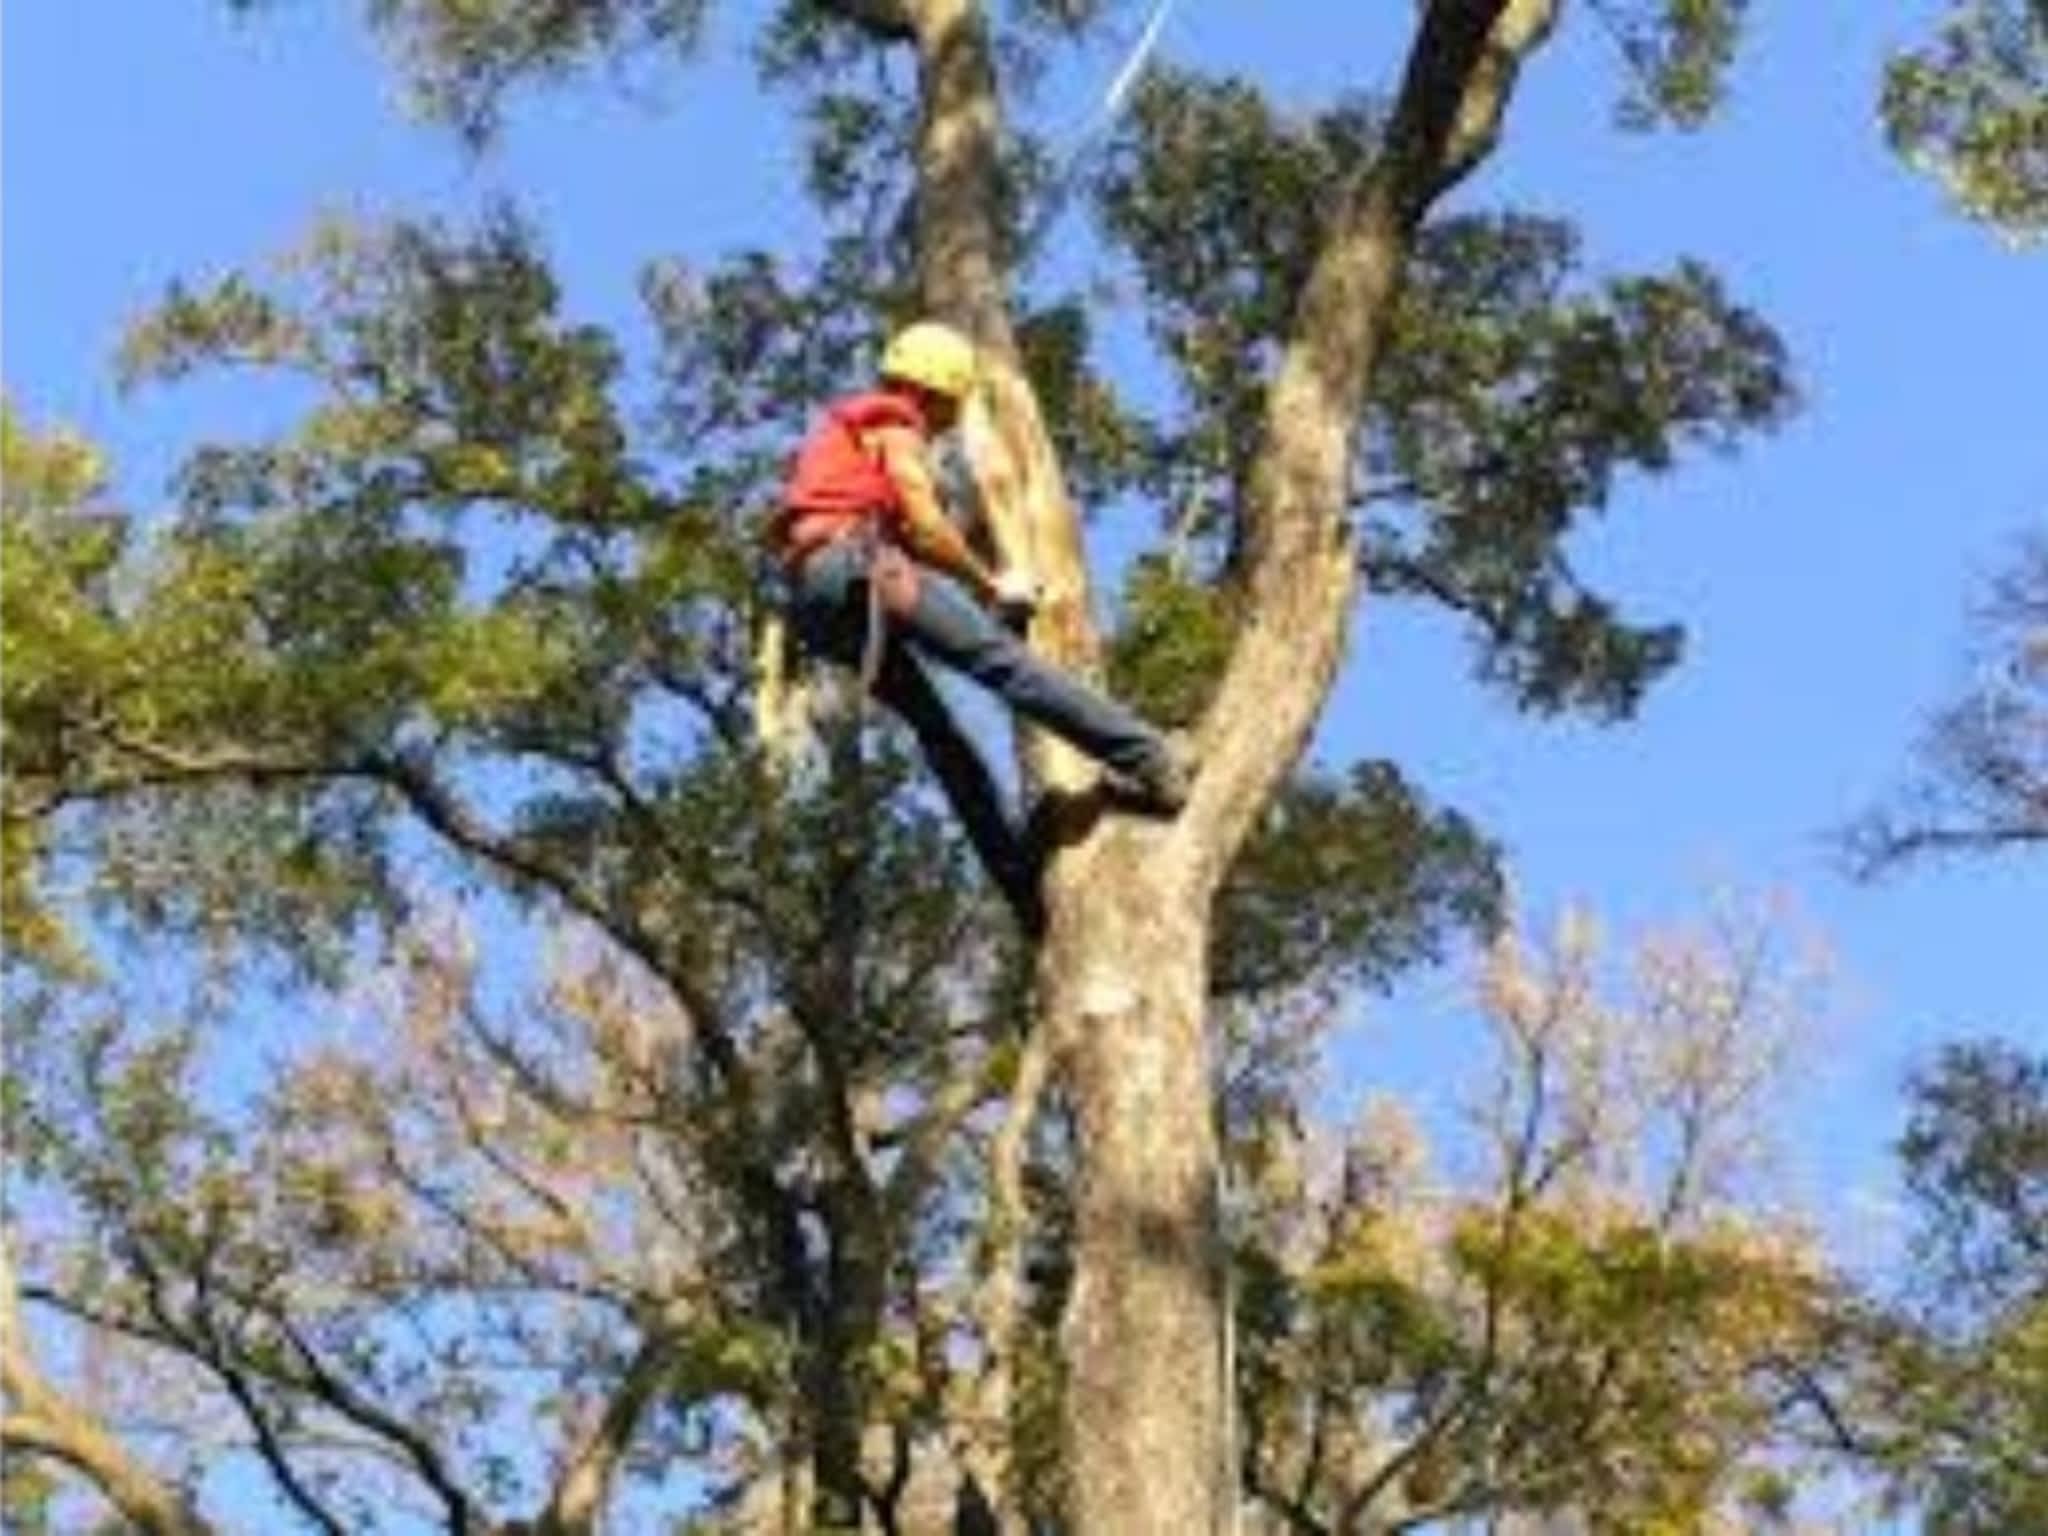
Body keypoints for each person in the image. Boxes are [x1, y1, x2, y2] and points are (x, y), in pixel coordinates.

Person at [770, 320, 1191, 927]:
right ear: (930, 390)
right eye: (944, 410)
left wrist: (957, 556)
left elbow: (909, 531)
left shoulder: (839, 446)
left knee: (942, 736)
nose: (940, 426)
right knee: (1005, 666)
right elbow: (923, 523)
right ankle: (1152, 758)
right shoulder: (894, 420)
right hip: (862, 570)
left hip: (814, 601)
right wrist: (992, 584)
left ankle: (1021, 887)